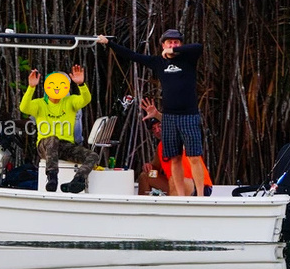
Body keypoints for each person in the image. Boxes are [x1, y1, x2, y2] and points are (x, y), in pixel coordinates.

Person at [97, 30, 206, 197]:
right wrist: (109, 43)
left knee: (194, 156)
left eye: (176, 43)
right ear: (162, 45)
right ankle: (182, 197)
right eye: (169, 42)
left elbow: (198, 47)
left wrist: (174, 51)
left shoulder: (188, 59)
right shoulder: (158, 62)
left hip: (188, 115)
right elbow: (132, 55)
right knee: (174, 159)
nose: (172, 45)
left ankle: (200, 196)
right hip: (169, 116)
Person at [19, 65, 98, 193]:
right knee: (52, 139)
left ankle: (77, 181)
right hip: (45, 145)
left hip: (65, 146)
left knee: (93, 155)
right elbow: (24, 107)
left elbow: (86, 99)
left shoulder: (70, 102)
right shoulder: (40, 104)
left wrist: (81, 84)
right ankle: (52, 177)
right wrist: (31, 87)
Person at [139, 99, 213, 197]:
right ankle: (144, 208)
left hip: (198, 185)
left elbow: (176, 123)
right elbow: (155, 166)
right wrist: (149, 167)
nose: (157, 130)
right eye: (154, 129)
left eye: (160, 126)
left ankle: (175, 208)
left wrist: (157, 115)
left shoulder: (182, 136)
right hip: (174, 184)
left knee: (175, 180)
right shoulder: (161, 147)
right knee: (145, 176)